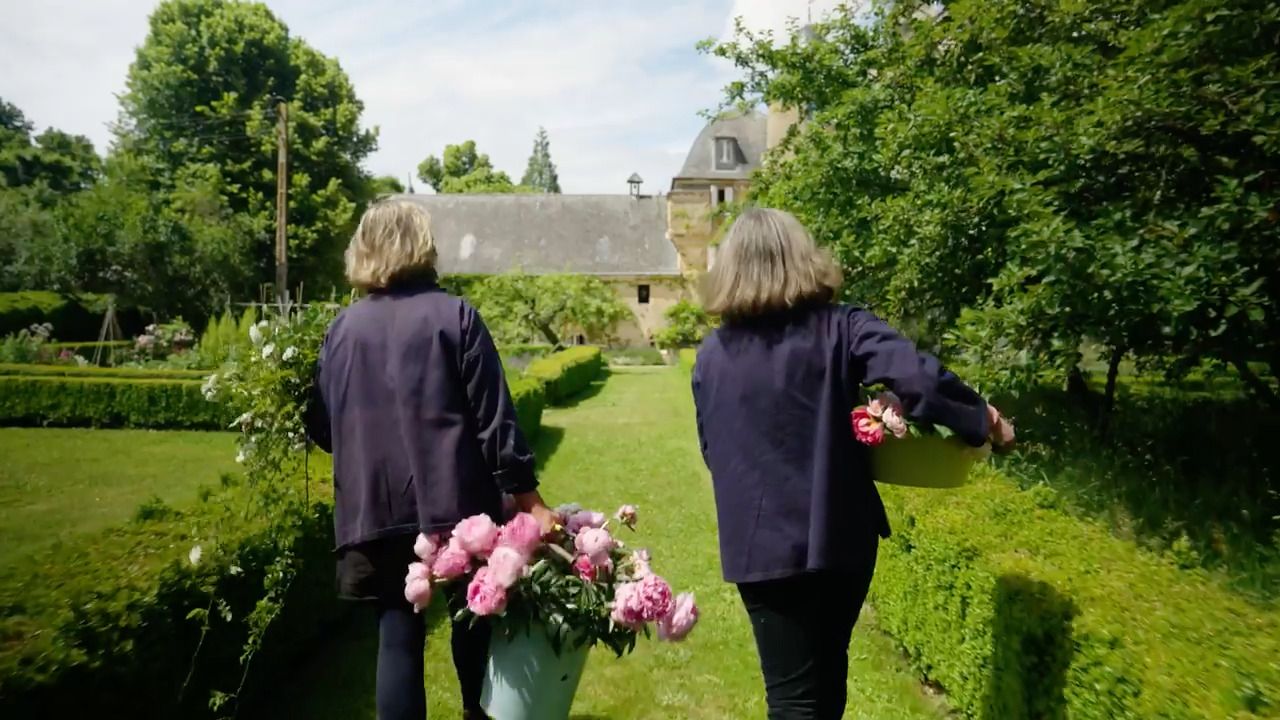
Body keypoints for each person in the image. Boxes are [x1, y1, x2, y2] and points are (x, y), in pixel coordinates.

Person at [691, 208, 1014, 720]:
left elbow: (714, 451)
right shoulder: (843, 326)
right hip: (839, 540)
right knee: (818, 691)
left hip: (760, 547)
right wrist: (984, 417)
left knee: (802, 697)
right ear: (803, 259)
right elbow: (919, 378)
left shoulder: (712, 355)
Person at [304, 200, 557, 720]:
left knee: (397, 633)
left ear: (363, 249)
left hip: (376, 508)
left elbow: (325, 428)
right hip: (460, 508)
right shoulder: (456, 316)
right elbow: (495, 421)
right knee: (477, 617)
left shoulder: (341, 331)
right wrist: (529, 500)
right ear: (423, 247)